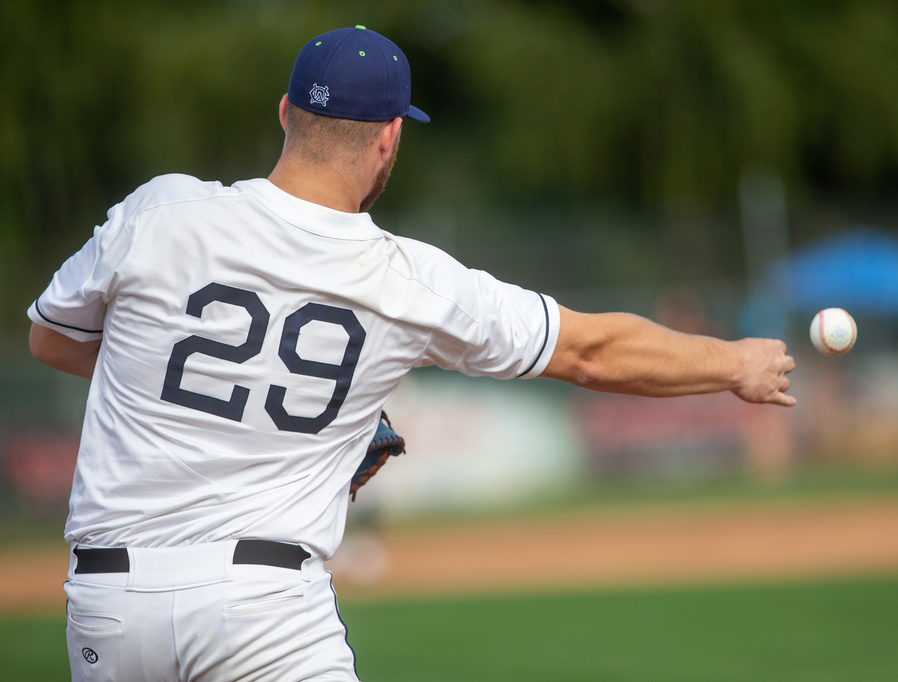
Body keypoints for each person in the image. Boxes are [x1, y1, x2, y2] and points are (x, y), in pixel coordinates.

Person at [28, 26, 795, 682]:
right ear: (390, 136)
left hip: (106, 609)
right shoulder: (407, 282)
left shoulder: (161, 211)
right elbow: (590, 353)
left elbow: (52, 338)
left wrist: (194, 381)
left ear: (286, 111)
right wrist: (735, 365)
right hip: (261, 614)